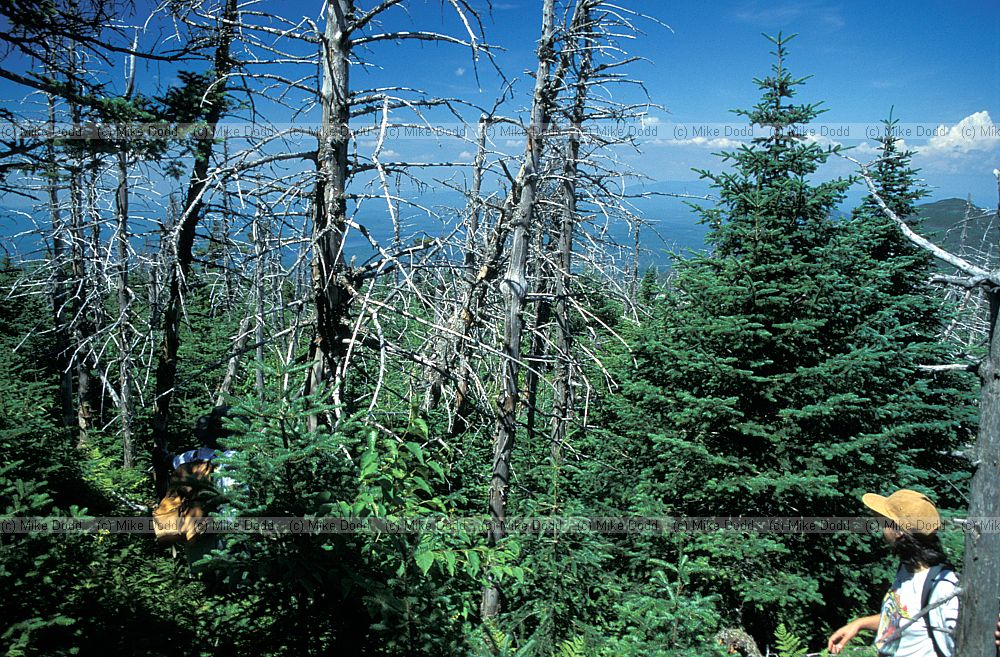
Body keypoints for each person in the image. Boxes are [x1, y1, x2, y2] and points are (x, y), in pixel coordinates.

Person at [827, 489, 959, 657]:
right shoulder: (907, 570)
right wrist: (859, 624)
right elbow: (904, 618)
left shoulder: (942, 587)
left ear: (898, 532)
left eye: (885, 521)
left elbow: (963, 643)